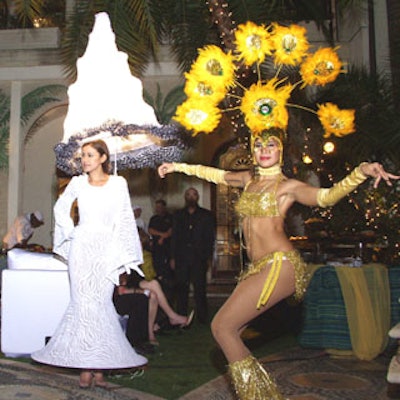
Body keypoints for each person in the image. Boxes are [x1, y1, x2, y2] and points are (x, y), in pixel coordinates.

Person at [158, 128, 400, 399]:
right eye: (259, 145)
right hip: (257, 268)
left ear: (280, 151)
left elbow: (325, 197)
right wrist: (177, 166)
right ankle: (257, 393)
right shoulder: (248, 180)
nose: (264, 150)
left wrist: (361, 172)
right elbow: (213, 174)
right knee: (231, 330)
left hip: (280, 265)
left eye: (271, 145)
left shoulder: (287, 187)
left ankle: (259, 396)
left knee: (221, 327)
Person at [31, 139, 147, 389]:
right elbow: (60, 208)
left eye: (90, 155)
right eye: (83, 155)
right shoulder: (77, 183)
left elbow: (125, 218)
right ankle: (87, 368)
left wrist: (122, 255)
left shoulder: (118, 183)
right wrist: (72, 232)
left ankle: (99, 366)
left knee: (101, 305)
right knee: (83, 305)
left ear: (103, 158)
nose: (84, 159)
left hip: (105, 249)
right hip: (82, 248)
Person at [170, 187, 216, 324]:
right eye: (188, 194)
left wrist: (208, 257)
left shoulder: (206, 215)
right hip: (181, 257)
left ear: (197, 197)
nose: (191, 197)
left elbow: (210, 238)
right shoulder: (178, 215)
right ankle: (181, 316)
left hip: (199, 258)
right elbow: (174, 237)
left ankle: (202, 318)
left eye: (194, 194)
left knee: (200, 289)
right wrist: (172, 257)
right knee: (181, 288)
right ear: (185, 197)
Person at [148, 199, 174, 302]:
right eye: (156, 207)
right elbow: (151, 230)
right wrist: (161, 235)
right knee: (157, 269)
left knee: (168, 271)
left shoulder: (170, 218)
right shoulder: (154, 218)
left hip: (168, 249)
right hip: (157, 249)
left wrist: (164, 237)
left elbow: (170, 231)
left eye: (160, 207)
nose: (158, 209)